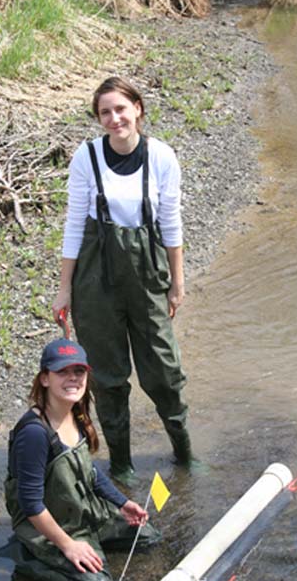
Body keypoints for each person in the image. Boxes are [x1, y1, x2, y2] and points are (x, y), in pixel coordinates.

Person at [52, 76, 194, 486]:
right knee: (108, 376)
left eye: (121, 109)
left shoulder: (162, 157)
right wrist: (65, 288)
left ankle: (184, 454)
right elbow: (75, 222)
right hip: (95, 280)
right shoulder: (87, 157)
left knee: (164, 371)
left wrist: (177, 282)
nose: (115, 119)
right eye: (105, 112)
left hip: (149, 275)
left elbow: (171, 222)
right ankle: (122, 463)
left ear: (138, 109)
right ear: (98, 119)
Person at [2, 337, 160, 581]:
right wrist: (69, 545)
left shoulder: (76, 414)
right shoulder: (34, 434)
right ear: (44, 379)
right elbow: (30, 504)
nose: (72, 378)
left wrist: (122, 503)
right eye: (62, 371)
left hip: (84, 511)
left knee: (148, 536)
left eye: (78, 371)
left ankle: (90, 542)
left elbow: (90, 471)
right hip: (50, 523)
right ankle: (28, 556)